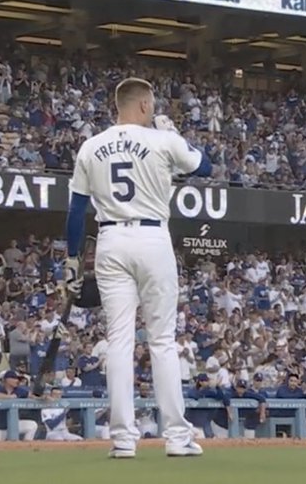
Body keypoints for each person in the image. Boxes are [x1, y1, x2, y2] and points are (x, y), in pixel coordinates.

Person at [65, 77, 212, 458]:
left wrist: (71, 260)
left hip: (110, 239)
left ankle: (123, 440)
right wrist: (175, 132)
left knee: (119, 341)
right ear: (145, 105)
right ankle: (177, 438)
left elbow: (76, 211)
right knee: (162, 341)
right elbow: (205, 167)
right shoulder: (161, 139)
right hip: (151, 237)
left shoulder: (91, 145)